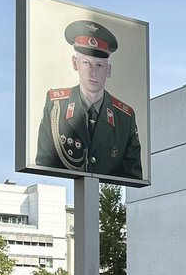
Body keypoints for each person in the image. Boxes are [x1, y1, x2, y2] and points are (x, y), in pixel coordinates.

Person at [35, 19, 142, 179]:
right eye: (86, 63)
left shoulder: (125, 118)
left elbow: (132, 176)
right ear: (75, 63)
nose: (93, 72)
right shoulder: (56, 105)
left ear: (108, 70)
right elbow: (44, 163)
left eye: (99, 65)